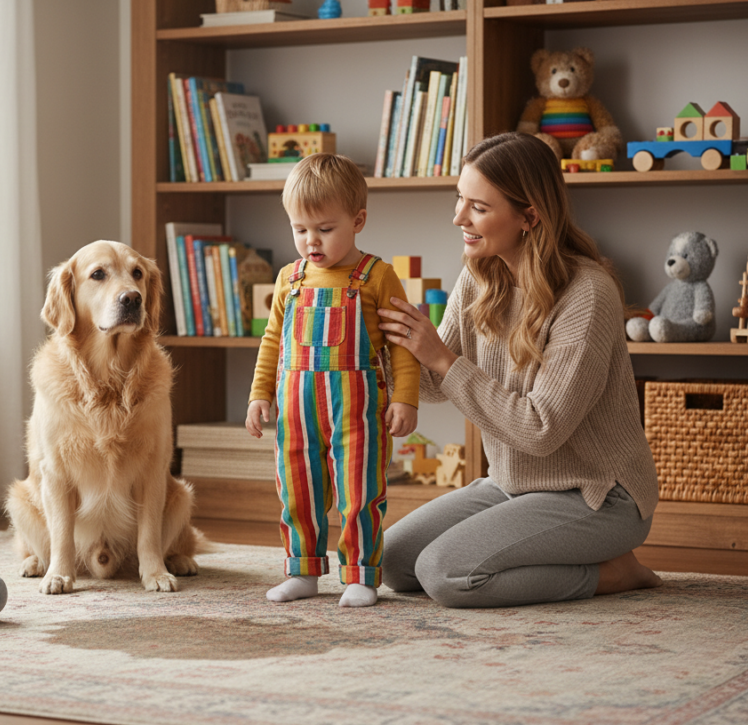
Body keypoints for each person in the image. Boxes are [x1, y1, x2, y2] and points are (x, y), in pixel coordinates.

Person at [376, 131, 663, 609]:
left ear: (529, 216)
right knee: (390, 562)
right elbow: (434, 385)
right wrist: (386, 343)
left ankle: (613, 573)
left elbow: (540, 430)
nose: (458, 218)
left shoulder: (588, 294)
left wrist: (442, 356)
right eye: (459, 199)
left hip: (598, 495)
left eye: (478, 208)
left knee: (445, 573)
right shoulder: (479, 275)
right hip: (512, 485)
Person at [246, 153, 420, 608]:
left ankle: (360, 574)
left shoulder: (377, 277)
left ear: (358, 219)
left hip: (357, 410)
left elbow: (401, 346)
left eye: (324, 229)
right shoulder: (290, 279)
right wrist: (259, 394)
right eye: (300, 230)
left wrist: (405, 399)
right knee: (298, 487)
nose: (311, 241)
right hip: (296, 409)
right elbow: (272, 342)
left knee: (360, 491)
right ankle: (302, 570)